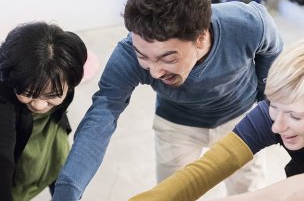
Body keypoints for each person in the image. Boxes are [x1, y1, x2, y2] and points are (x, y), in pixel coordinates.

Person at [52, 0, 283, 200]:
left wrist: (267, 104)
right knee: (172, 195)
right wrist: (67, 190)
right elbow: (102, 116)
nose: (154, 71)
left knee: (249, 188)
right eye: (143, 56)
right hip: (176, 124)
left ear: (200, 38)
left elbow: (272, 50)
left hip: (239, 117)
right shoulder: (127, 56)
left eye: (168, 59)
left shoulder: (248, 24)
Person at [129, 38, 304, 201]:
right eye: (273, 105)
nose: (276, 127)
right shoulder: (275, 114)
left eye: (295, 116)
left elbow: (285, 194)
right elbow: (204, 172)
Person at [0, 21, 88, 201]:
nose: (39, 105)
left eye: (51, 96)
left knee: (60, 168)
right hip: (10, 140)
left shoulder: (69, 58)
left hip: (48, 133)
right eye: (28, 94)